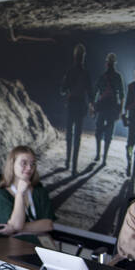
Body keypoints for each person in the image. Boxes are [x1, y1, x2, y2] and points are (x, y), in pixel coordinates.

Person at [0, 146, 55, 244]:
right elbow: (16, 224)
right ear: (12, 165)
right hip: (12, 246)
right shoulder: (1, 196)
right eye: (24, 163)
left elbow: (48, 225)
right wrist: (20, 193)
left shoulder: (40, 192)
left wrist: (15, 228)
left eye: (32, 164)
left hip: (43, 245)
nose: (29, 168)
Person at [60, 43, 92, 175]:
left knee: (69, 135)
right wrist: (92, 105)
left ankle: (67, 162)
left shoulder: (70, 71)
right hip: (80, 105)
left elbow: (62, 90)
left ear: (74, 56)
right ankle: (73, 166)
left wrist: (66, 84)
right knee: (77, 136)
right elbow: (90, 92)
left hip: (71, 104)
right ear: (83, 57)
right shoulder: (85, 73)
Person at [92, 52, 125, 166]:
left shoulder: (102, 77)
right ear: (114, 63)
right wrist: (120, 110)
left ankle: (98, 154)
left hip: (103, 106)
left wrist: (93, 107)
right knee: (108, 133)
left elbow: (95, 93)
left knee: (98, 131)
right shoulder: (118, 77)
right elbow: (122, 95)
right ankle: (104, 157)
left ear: (107, 63)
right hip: (112, 107)